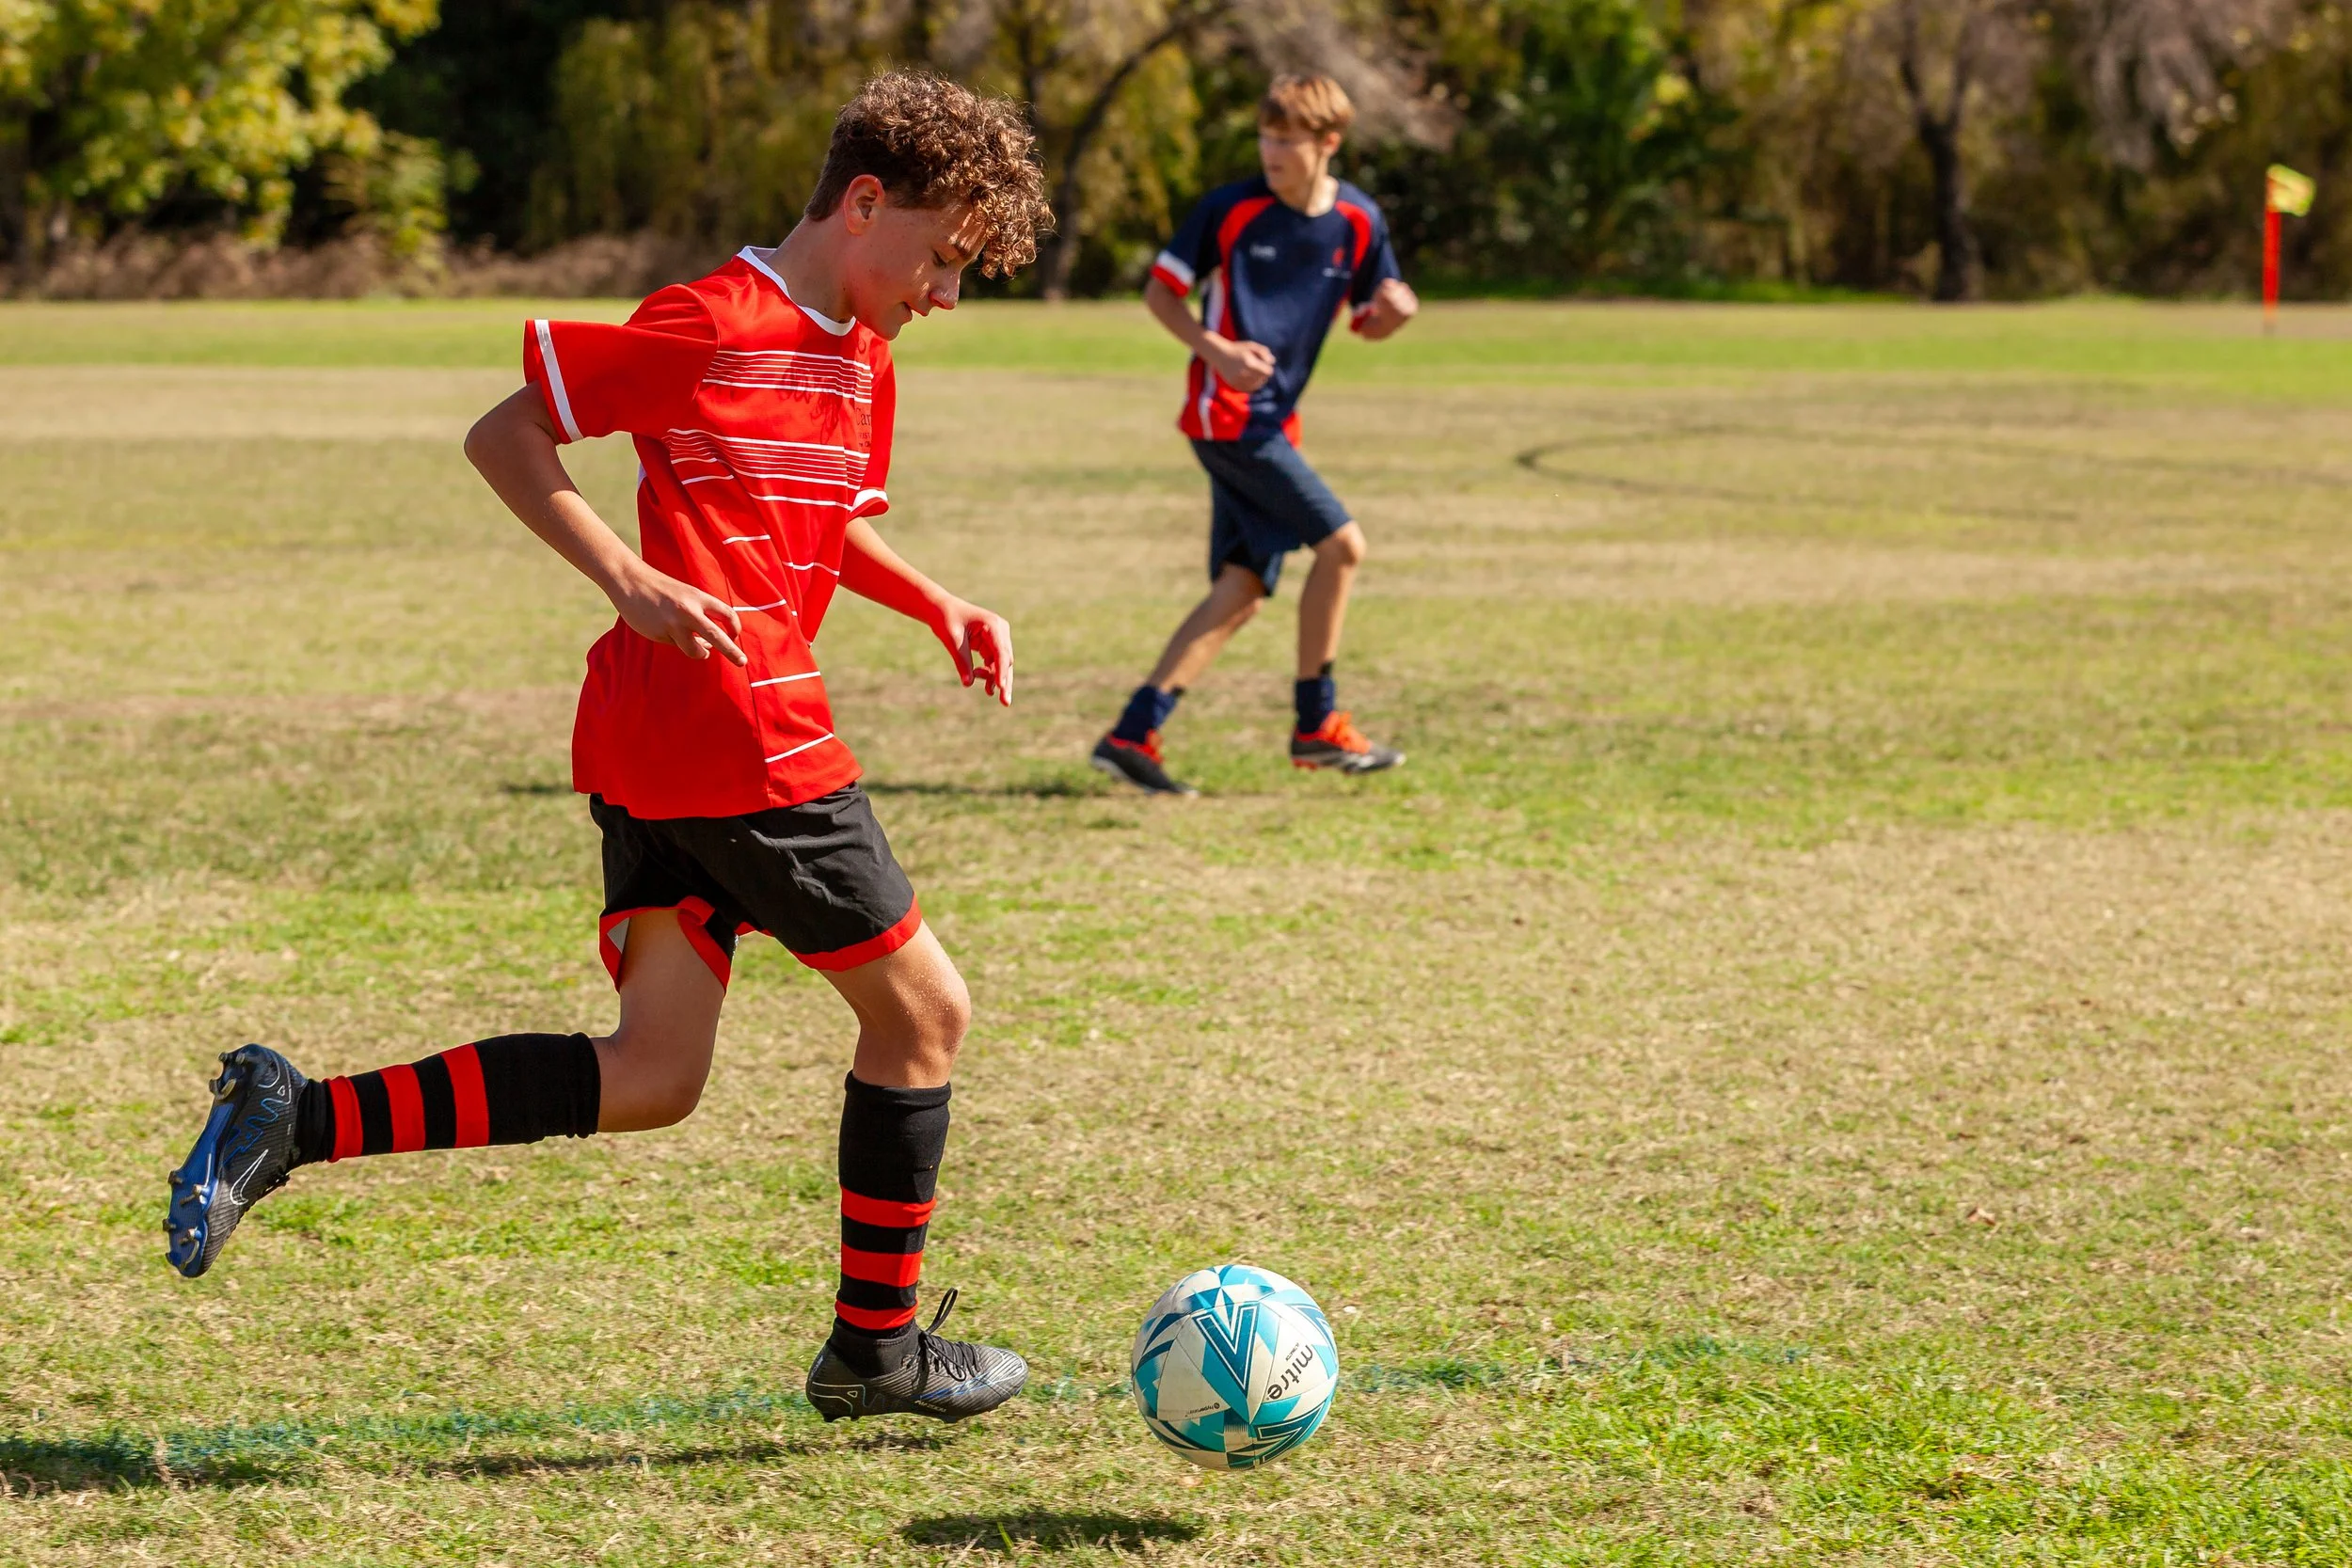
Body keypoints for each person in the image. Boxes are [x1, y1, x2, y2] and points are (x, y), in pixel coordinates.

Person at [164, 72, 1054, 1427]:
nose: (946, 292)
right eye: (941, 255)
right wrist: (626, 571)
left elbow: (818, 521)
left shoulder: (862, 354)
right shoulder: (712, 321)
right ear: (864, 203)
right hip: (742, 726)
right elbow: (507, 430)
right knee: (925, 1014)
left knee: (651, 1076)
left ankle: (295, 1114)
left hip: (655, 736)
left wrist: (937, 598)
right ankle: (874, 1352)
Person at [1090, 73, 1421, 798]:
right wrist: (1218, 351)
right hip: (1227, 416)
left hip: (1275, 422)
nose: (1271, 151)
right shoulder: (1230, 210)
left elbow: (1370, 319)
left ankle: (1132, 734)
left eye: (1287, 139)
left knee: (1240, 589)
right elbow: (1160, 292)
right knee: (1343, 545)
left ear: (1327, 143)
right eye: (1265, 137)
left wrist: (1394, 315)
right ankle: (1317, 723)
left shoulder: (1360, 221)